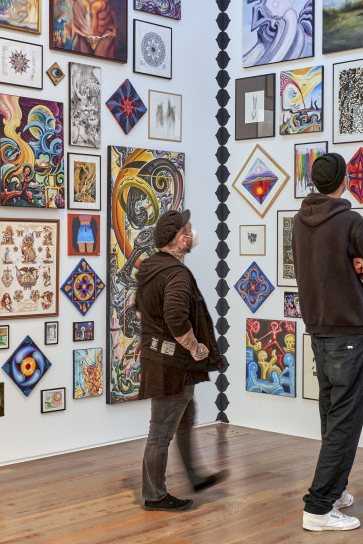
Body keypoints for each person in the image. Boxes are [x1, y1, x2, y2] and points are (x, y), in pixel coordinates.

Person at [292, 152, 363, 531]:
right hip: (348, 330)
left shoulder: (299, 222)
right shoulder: (349, 220)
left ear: (314, 182)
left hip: (317, 328)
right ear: (344, 181)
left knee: (332, 413)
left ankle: (335, 489)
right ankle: (318, 508)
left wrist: (355, 263)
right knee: (345, 418)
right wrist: (361, 266)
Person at [136, 209, 227, 511]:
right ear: (176, 238)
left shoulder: (150, 267)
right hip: (172, 366)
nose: (192, 234)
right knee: (161, 431)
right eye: (187, 229)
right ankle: (155, 495)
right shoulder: (176, 273)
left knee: (185, 418)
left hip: (160, 360)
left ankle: (195, 476)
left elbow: (138, 311)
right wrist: (196, 347)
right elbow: (175, 316)